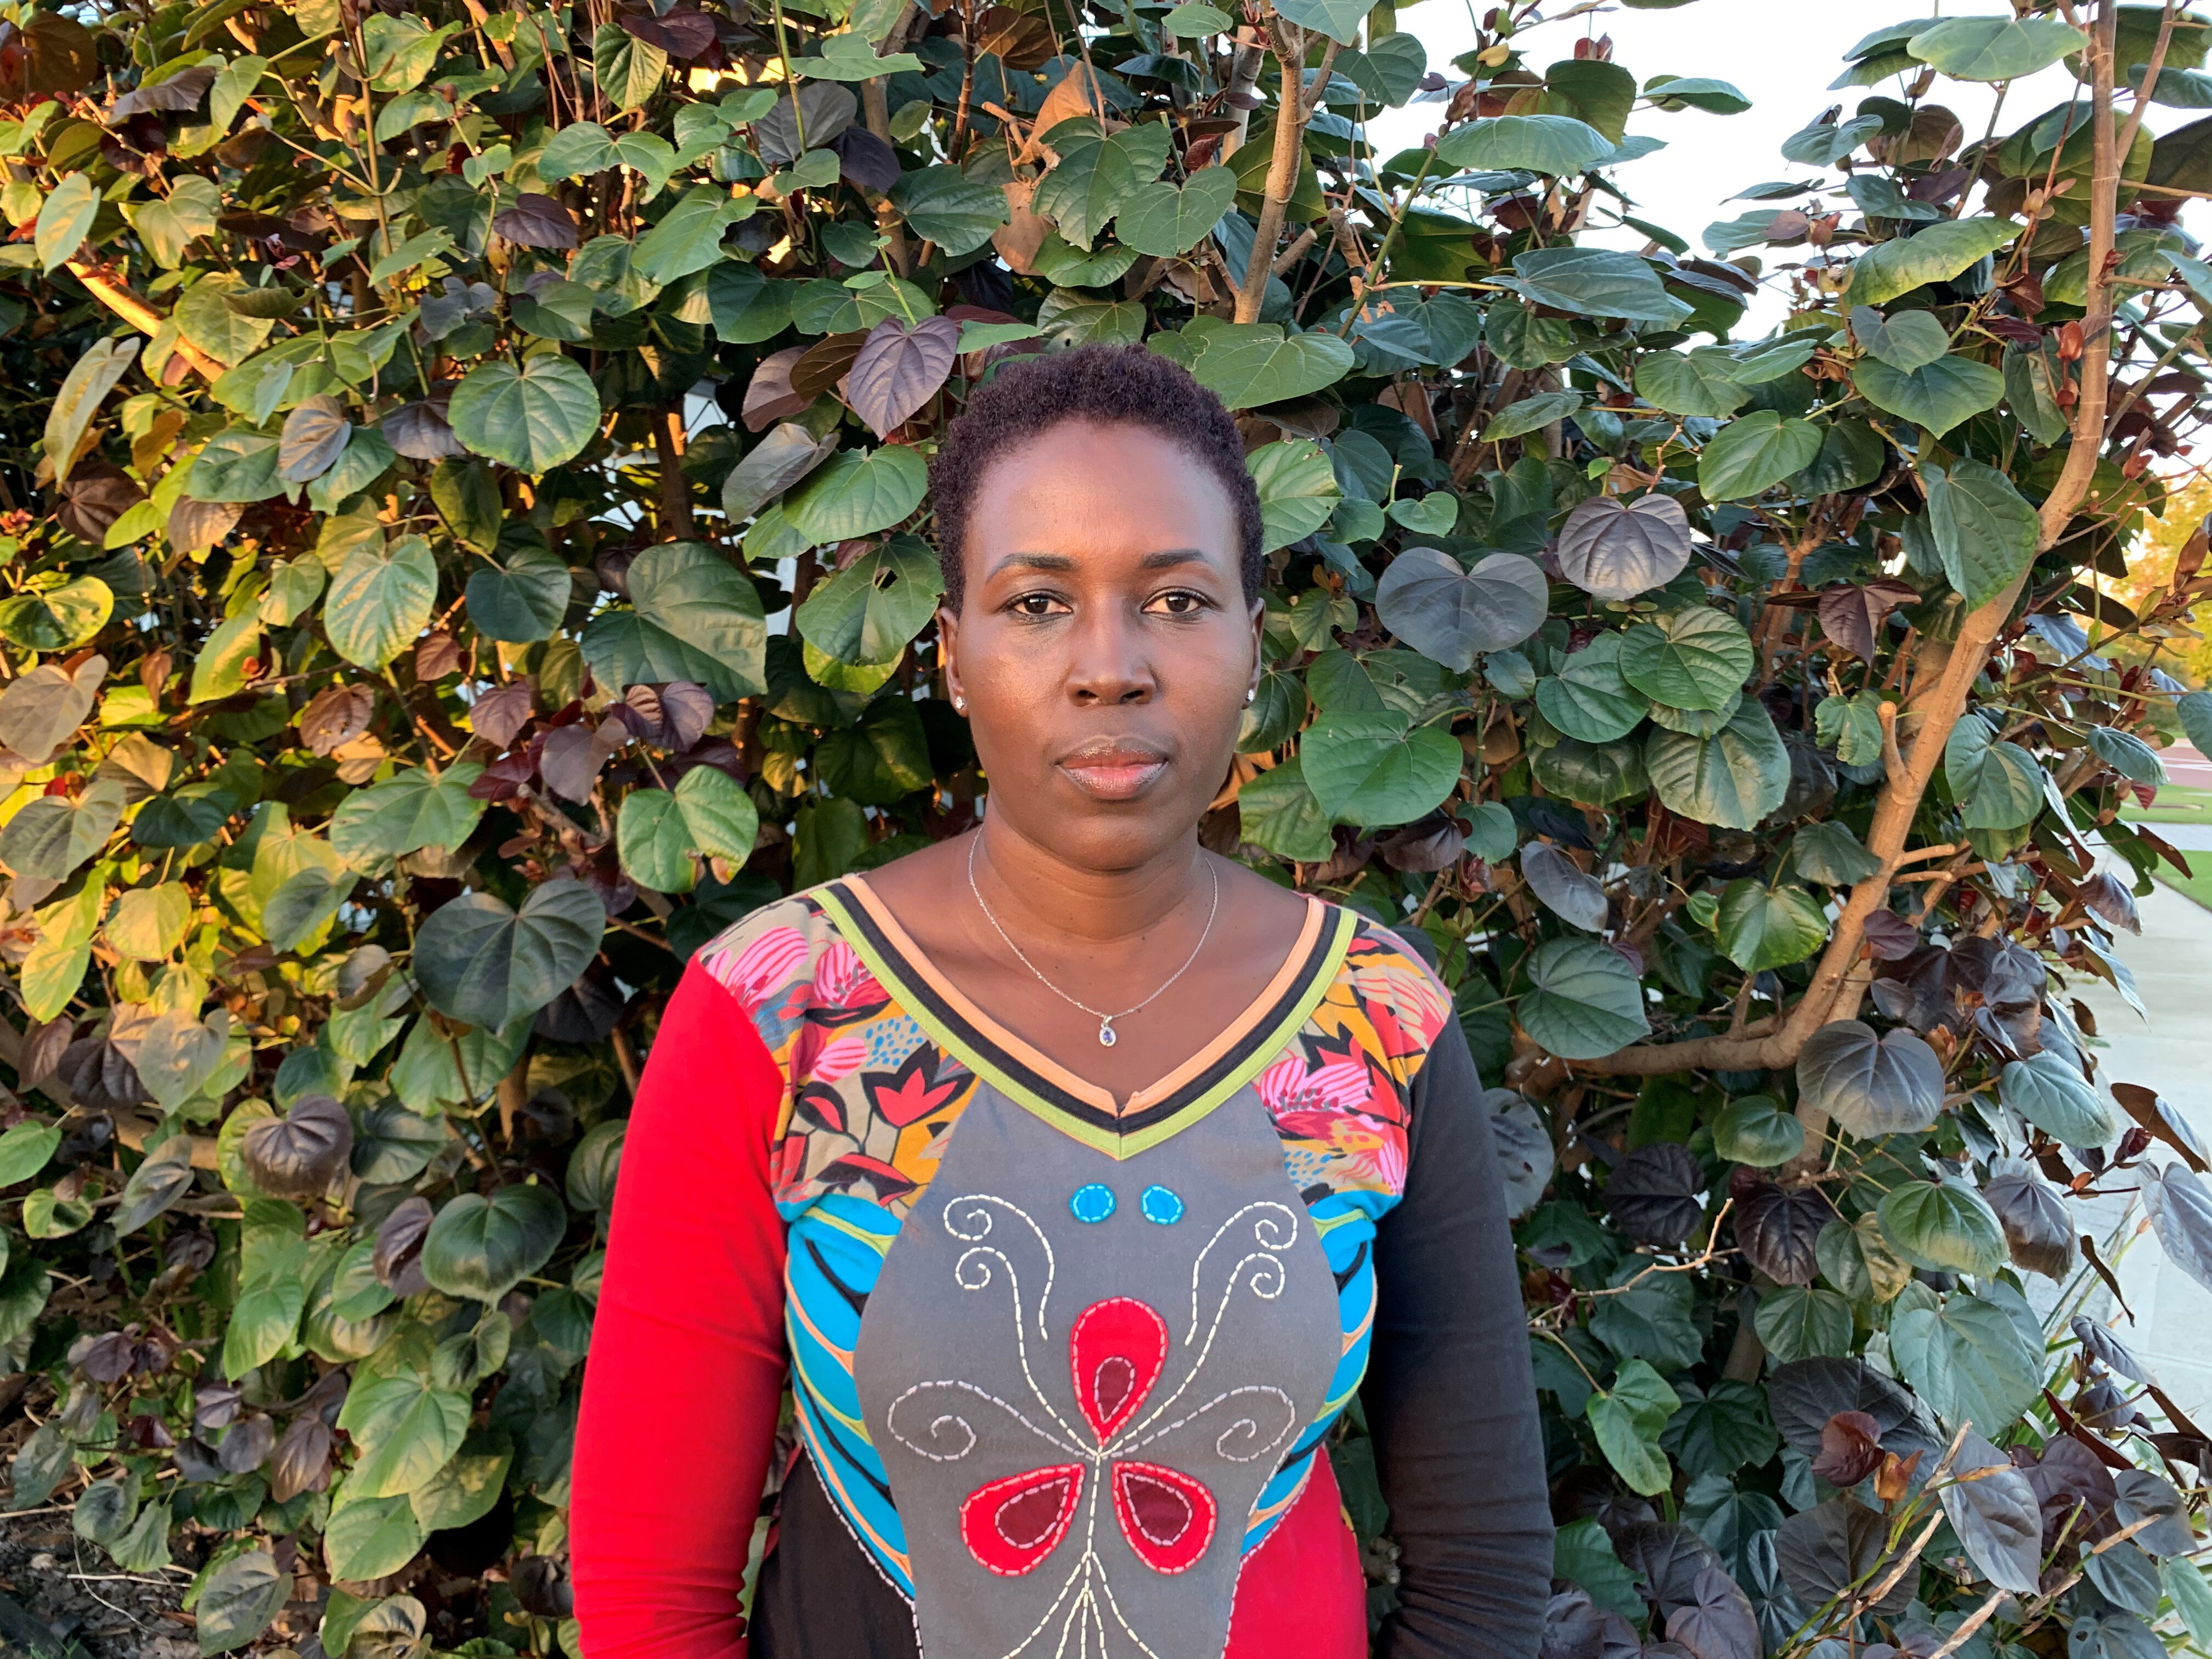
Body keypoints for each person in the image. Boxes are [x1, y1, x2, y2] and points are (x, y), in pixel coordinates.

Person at [569, 345, 1551, 1659]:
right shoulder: (778, 1010)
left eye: (1178, 601)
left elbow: (1482, 1564)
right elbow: (650, 1599)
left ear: (1253, 644)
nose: (1110, 667)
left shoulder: (1377, 1017)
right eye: (1037, 603)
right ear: (953, 653)